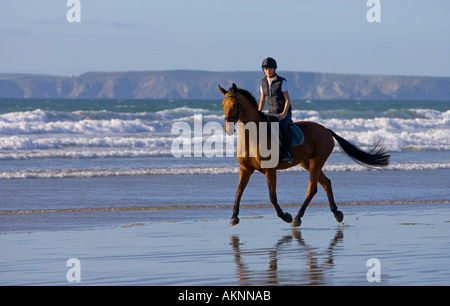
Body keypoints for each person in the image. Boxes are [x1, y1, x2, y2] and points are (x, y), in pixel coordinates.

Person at [258, 57, 294, 163]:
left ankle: (289, 154)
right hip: (271, 112)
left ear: (274, 69)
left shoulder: (282, 82)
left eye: (269, 69)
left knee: (282, 128)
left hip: (284, 112)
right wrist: (258, 112)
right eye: (265, 69)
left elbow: (287, 100)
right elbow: (262, 100)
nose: (267, 71)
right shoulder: (263, 82)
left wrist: (284, 113)